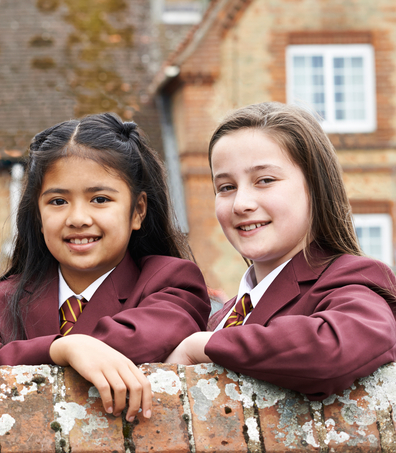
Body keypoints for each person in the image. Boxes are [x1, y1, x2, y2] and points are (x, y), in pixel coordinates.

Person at [0, 113, 209, 421]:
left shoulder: (171, 282)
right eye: (58, 202)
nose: (77, 218)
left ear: (138, 210)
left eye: (100, 199)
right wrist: (61, 349)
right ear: (37, 214)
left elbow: (142, 340)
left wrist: (72, 346)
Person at [165, 102, 396, 400]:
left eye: (265, 180)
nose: (240, 203)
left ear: (315, 186)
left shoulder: (354, 278)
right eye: (225, 187)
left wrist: (201, 346)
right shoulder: (221, 316)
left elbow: (333, 348)